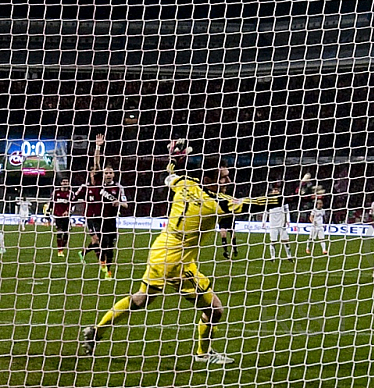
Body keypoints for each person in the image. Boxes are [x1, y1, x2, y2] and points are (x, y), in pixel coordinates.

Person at [80, 156, 265, 365]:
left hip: (160, 250)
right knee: (215, 309)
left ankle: (96, 331)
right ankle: (203, 353)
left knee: (141, 298)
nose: (228, 180)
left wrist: (174, 159)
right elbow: (253, 205)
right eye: (223, 177)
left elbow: (170, 174)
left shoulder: (184, 184)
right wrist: (288, 199)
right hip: (177, 262)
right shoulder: (214, 202)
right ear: (208, 178)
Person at [73, 134, 105, 264]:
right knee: (96, 239)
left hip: (100, 216)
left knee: (97, 241)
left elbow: (96, 162)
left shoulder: (99, 184)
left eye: (95, 171)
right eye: (92, 171)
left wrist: (98, 147)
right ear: (89, 173)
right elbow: (73, 198)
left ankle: (84, 253)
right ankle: (100, 260)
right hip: (90, 217)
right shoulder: (85, 187)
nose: (94, 172)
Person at [97, 164, 128, 280]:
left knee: (110, 246)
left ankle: (108, 270)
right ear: (103, 175)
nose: (108, 175)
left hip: (111, 220)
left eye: (110, 173)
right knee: (103, 242)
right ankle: (102, 261)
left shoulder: (118, 187)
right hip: (99, 219)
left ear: (114, 174)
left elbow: (126, 204)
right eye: (106, 173)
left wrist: (118, 202)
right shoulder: (98, 186)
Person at [262, 185, 294, 262]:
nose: (275, 191)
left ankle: (289, 257)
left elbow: (287, 211)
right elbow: (265, 212)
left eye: (277, 190)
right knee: (273, 241)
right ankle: (273, 258)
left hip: (282, 224)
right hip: (273, 224)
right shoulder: (269, 201)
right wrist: (264, 222)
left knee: (286, 241)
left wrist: (288, 220)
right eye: (274, 190)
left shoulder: (283, 201)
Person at [216, 166, 238, 259]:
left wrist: (226, 176)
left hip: (229, 215)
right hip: (222, 216)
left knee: (232, 233)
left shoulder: (229, 193)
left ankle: (235, 248)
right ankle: (226, 252)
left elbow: (231, 183)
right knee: (223, 233)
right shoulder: (218, 194)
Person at [49, 177, 72, 257]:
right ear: (61, 183)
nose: (65, 183)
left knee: (66, 233)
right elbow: (51, 202)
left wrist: (68, 211)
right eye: (64, 182)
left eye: (67, 181)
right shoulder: (56, 192)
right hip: (57, 215)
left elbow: (72, 204)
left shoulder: (71, 193)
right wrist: (48, 211)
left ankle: (62, 248)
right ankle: (60, 250)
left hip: (66, 216)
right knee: (59, 232)